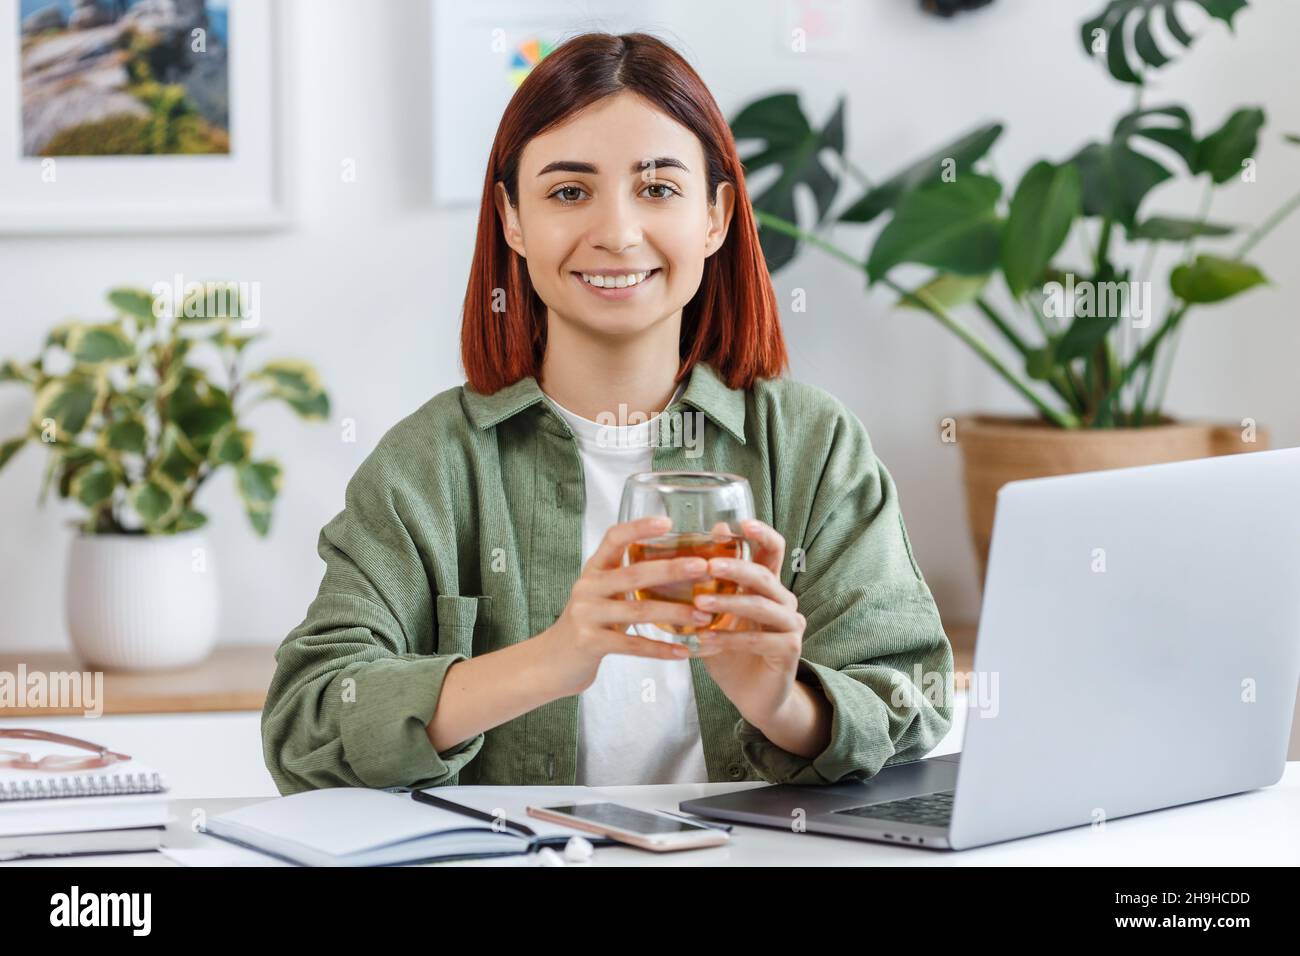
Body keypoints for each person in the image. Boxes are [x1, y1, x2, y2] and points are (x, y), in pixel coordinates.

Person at [261, 31, 953, 795]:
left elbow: (912, 694)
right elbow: (306, 723)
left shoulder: (811, 447)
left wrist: (783, 704)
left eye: (658, 189)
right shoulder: (429, 465)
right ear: (512, 219)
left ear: (717, 216)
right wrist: (550, 659)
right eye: (568, 191)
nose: (618, 234)